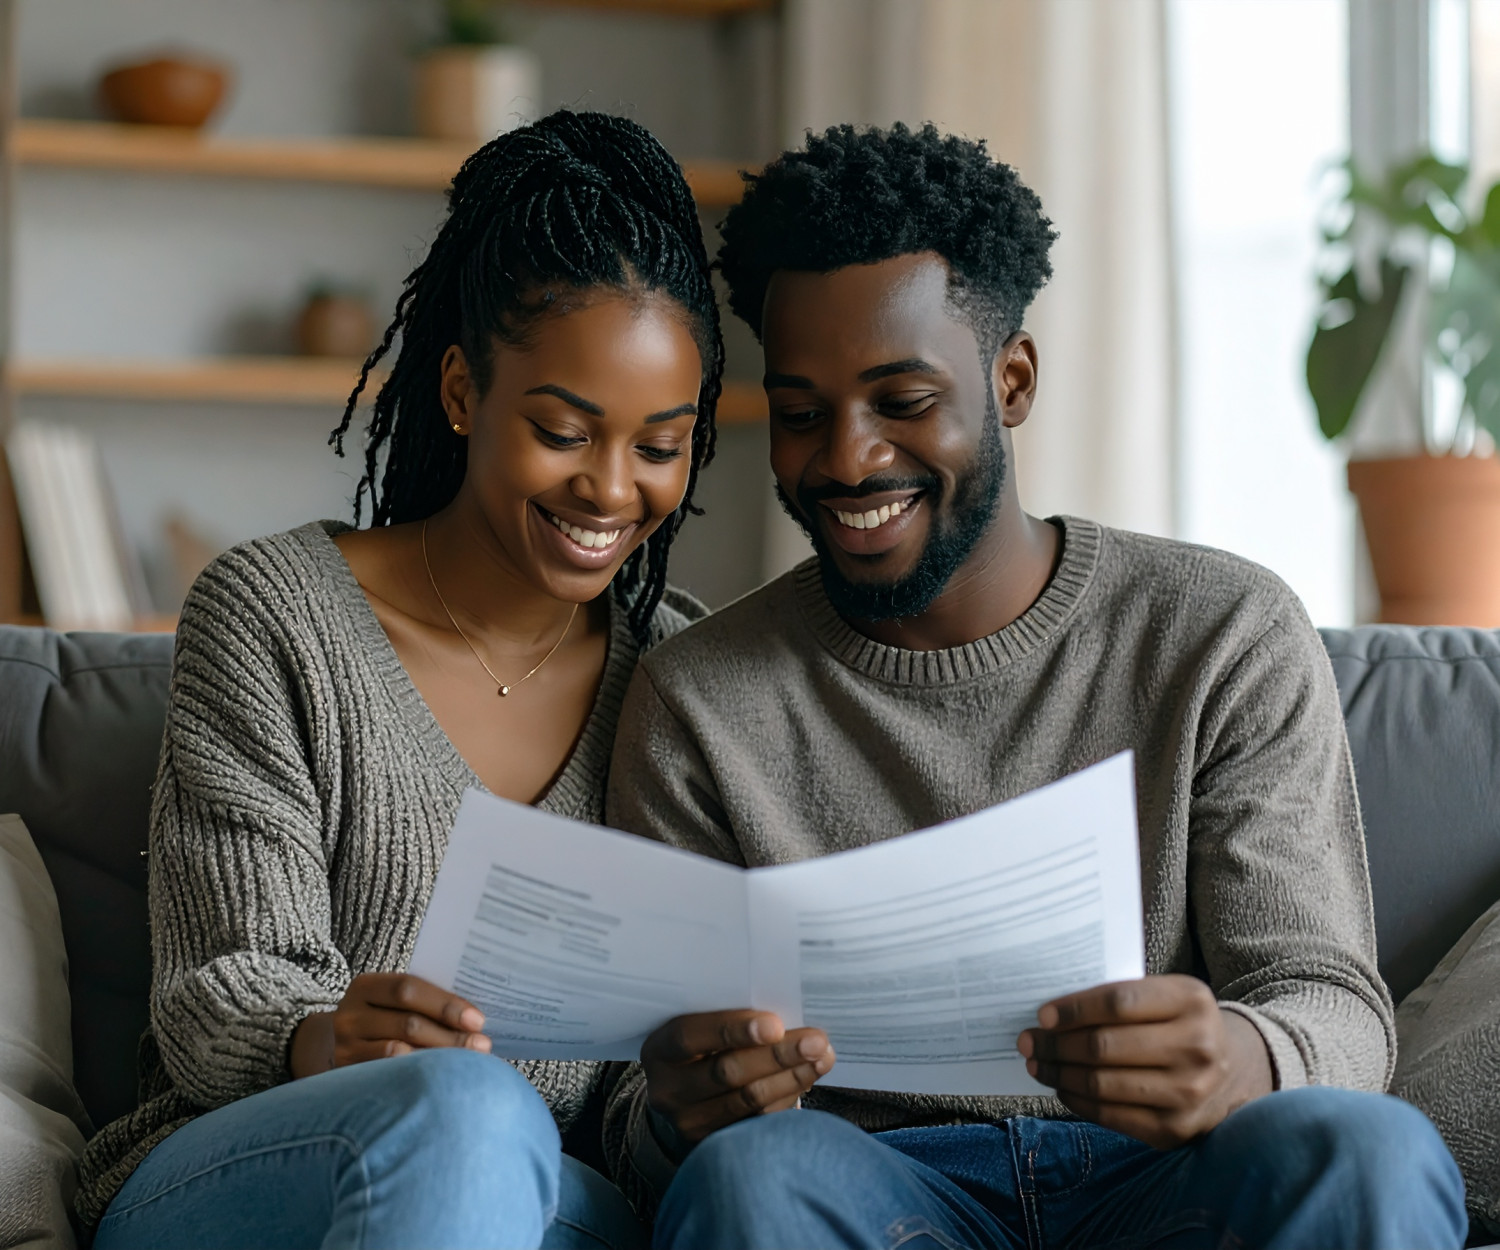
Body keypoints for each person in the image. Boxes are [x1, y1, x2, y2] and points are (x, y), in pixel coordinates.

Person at [601, 123, 1468, 1249]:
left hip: (1169, 1176)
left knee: (1375, 1150)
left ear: (1011, 380)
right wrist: (684, 1107)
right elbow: (631, 1106)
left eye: (903, 399)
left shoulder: (1221, 632)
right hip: (870, 1182)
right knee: (752, 1178)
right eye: (804, 412)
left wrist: (1241, 1056)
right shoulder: (698, 700)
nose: (847, 459)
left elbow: (1328, 1000)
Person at [76, 109, 724, 1250]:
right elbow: (218, 990)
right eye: (565, 430)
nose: (611, 489)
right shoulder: (276, 614)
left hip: (544, 1198)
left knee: (520, 1144)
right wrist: (327, 1034)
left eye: (659, 445)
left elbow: (634, 1106)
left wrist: (695, 1090)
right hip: (250, 1162)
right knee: (468, 1112)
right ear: (464, 390)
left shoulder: (682, 674)